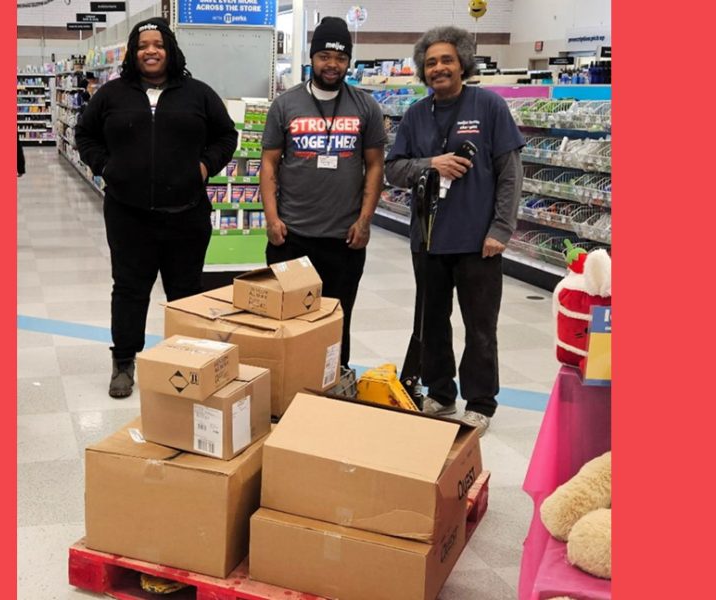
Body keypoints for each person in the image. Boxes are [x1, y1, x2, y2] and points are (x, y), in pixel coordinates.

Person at [75, 17, 238, 398]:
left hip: (187, 214)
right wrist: (105, 166)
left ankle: (186, 360)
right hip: (128, 215)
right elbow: (85, 133)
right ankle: (124, 362)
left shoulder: (197, 93)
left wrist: (203, 167)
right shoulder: (112, 94)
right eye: (143, 45)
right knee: (130, 290)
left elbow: (225, 134)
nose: (151, 50)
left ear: (170, 50)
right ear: (133, 52)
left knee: (185, 291)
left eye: (158, 44)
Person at [385, 25, 524, 436]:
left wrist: (501, 227)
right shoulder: (415, 114)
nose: (439, 68)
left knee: (480, 325)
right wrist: (432, 164)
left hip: (479, 241)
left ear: (463, 62)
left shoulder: (489, 107)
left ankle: (480, 401)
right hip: (427, 239)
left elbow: (509, 174)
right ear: (422, 71)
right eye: (430, 63)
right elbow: (394, 169)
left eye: (447, 60)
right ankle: (441, 393)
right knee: (433, 322)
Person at [260, 16, 386, 369]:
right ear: (312, 58)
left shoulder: (365, 106)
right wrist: (272, 219)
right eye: (325, 56)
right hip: (292, 237)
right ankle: (288, 384)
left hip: (344, 239)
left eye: (341, 58)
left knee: (337, 320)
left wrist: (365, 220)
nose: (332, 64)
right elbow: (268, 163)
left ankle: (333, 384)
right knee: (287, 322)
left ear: (349, 61)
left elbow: (376, 164)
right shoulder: (285, 105)